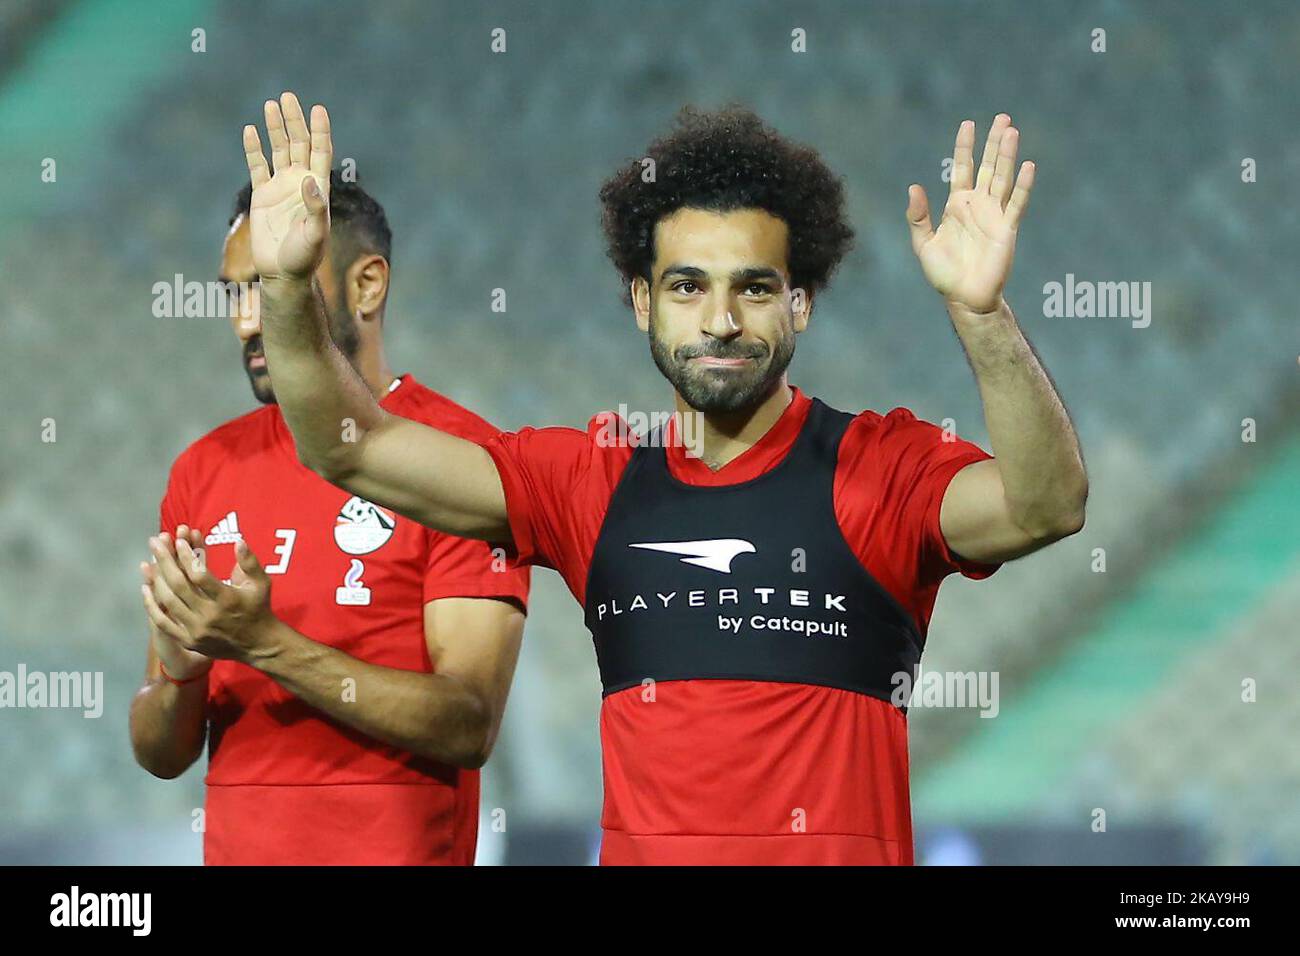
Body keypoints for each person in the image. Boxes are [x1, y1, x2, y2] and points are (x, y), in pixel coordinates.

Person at [242, 91, 1086, 865]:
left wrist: (981, 314)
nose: (721, 320)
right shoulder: (590, 479)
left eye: (755, 288)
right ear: (642, 301)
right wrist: (284, 285)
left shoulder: (881, 467)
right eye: (688, 286)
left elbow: (1047, 505)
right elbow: (348, 447)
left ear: (802, 303)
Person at [129, 172, 529, 865]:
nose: (248, 320)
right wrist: (181, 675)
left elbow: (469, 721)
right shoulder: (204, 468)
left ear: (367, 285)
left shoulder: (463, 462)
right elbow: (161, 754)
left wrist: (264, 645)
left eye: (276, 282)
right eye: (237, 292)